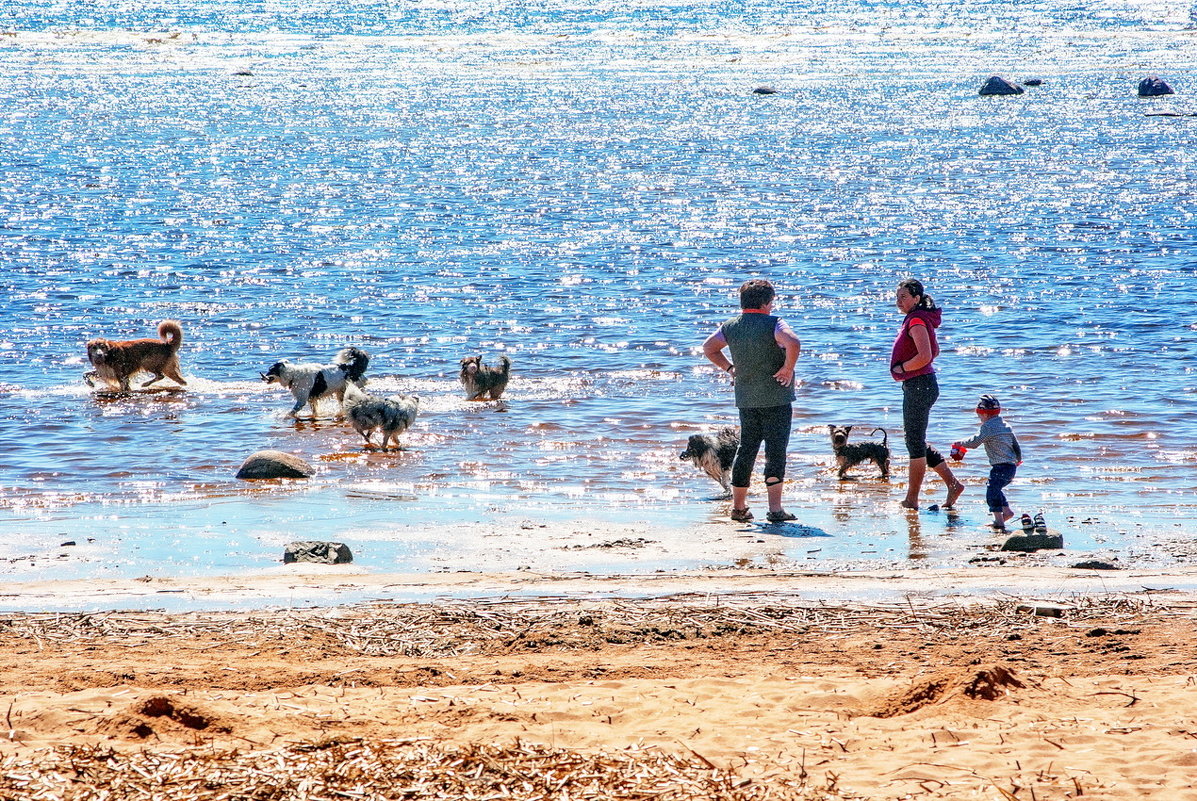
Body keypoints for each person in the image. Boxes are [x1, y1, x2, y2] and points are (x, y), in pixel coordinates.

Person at [702, 279, 801, 523]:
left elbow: (709, 348)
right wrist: (787, 368)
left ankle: (738, 508)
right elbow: (793, 342)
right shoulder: (774, 322)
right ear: (767, 303)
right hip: (776, 396)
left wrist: (729, 368)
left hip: (746, 398)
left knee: (746, 449)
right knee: (776, 451)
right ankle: (775, 510)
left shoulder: (731, 326)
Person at [890, 278, 961, 510]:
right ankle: (953, 484)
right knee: (915, 440)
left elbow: (926, 356)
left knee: (914, 443)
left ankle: (912, 498)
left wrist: (902, 368)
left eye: (904, 297)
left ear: (917, 299)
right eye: (897, 297)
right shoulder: (918, 319)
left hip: (920, 385)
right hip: (921, 384)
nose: (899, 301)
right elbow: (936, 350)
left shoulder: (917, 320)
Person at [951, 394, 1023, 530]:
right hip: (1011, 467)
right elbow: (1016, 444)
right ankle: (1007, 512)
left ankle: (999, 521)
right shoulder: (1006, 426)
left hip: (1000, 467)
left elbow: (974, 442)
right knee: (996, 489)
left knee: (991, 491)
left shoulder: (988, 427)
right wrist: (1018, 460)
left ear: (982, 413)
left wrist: (960, 444)